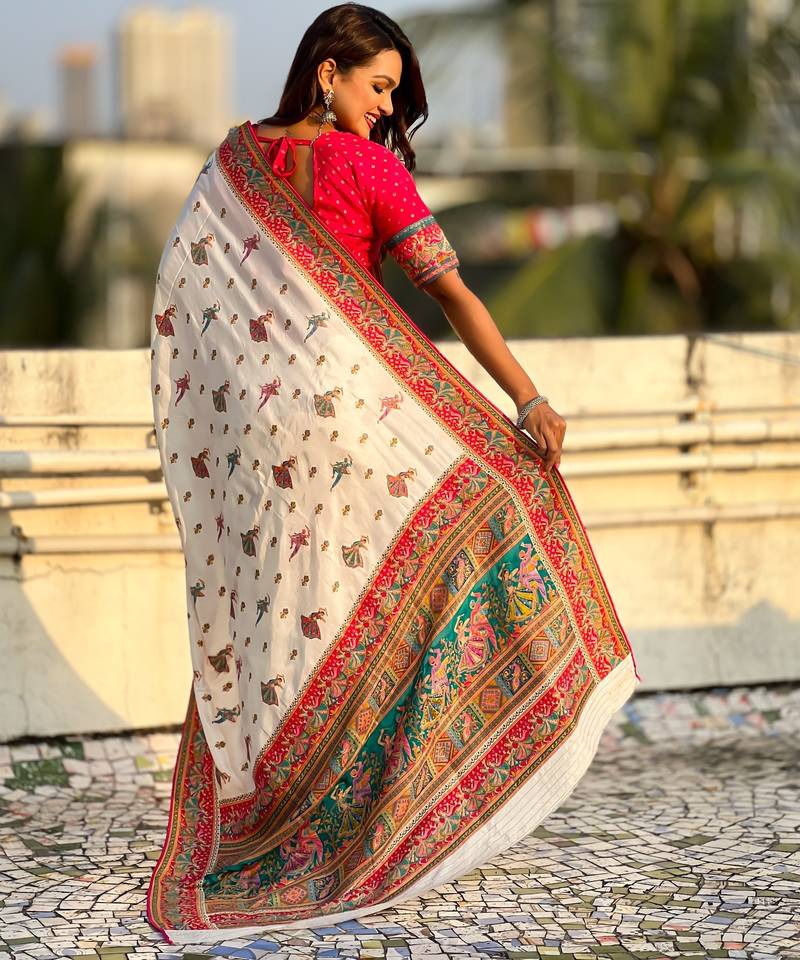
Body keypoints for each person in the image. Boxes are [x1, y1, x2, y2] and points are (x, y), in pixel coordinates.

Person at [147, 2, 641, 945]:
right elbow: (452, 294)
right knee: (476, 517)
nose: (385, 110)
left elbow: (184, 290)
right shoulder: (366, 167)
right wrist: (528, 399)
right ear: (327, 73)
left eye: (395, 96)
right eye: (379, 88)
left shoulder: (232, 165)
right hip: (349, 414)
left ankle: (280, 809)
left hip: (259, 435)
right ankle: (385, 800)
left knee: (290, 607)